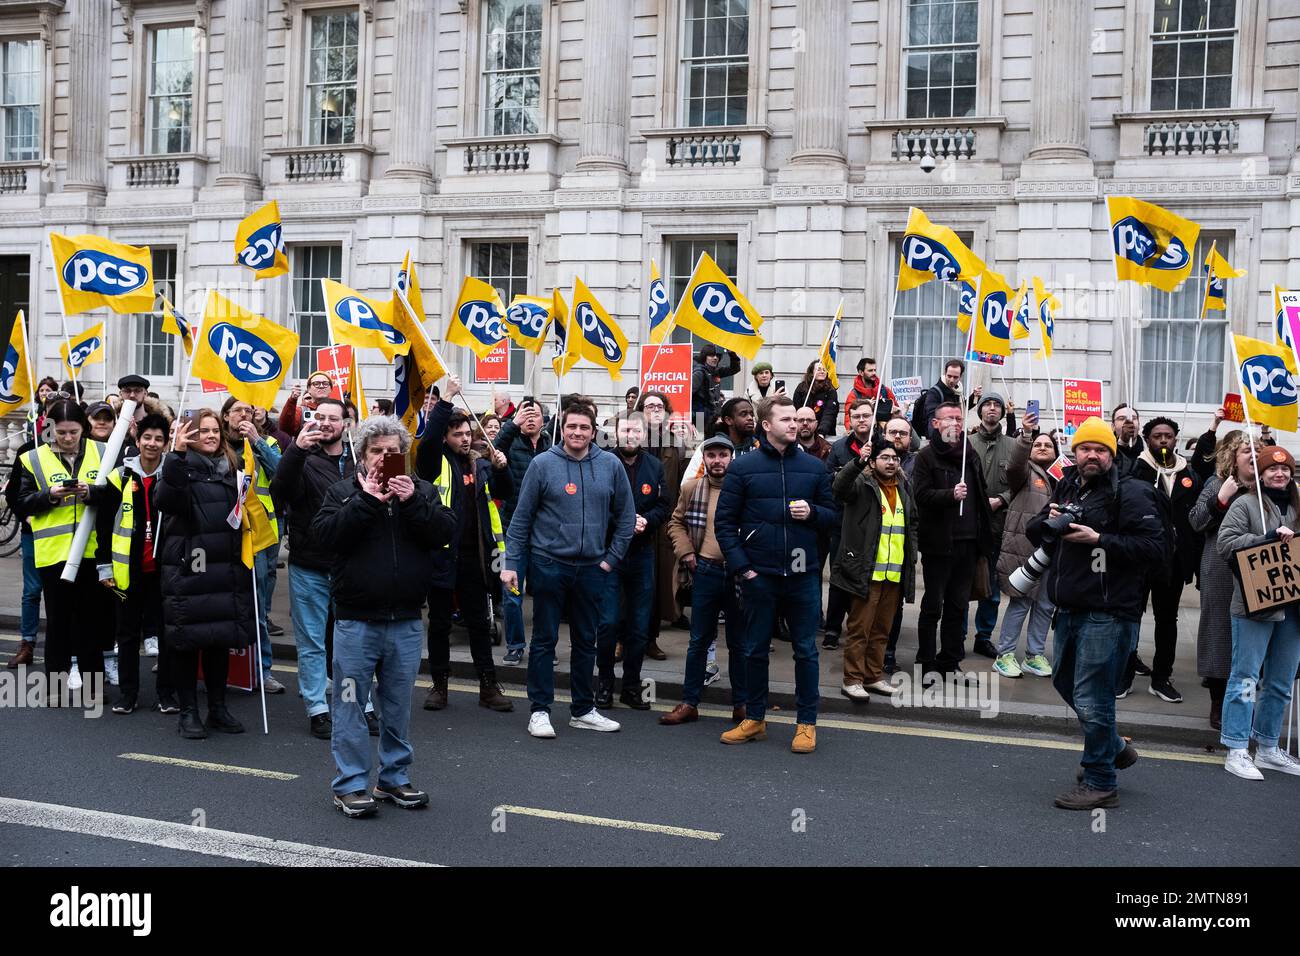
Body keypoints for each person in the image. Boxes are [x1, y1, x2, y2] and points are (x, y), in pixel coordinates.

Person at [313, 415, 456, 818]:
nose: (385, 458)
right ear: (362, 454)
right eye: (377, 451)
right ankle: (351, 784)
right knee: (350, 705)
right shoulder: (342, 492)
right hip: (357, 619)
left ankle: (393, 777)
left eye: (393, 451)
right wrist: (367, 501)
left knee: (396, 705)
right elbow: (327, 537)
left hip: (406, 619)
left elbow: (443, 532)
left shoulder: (422, 491)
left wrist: (410, 501)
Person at [1026, 417, 1165, 809]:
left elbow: (1154, 549)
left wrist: (1099, 538)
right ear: (1075, 451)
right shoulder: (1068, 483)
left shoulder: (1133, 492)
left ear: (1112, 454)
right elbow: (1039, 532)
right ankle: (1116, 745)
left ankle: (1101, 779)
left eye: (1100, 450)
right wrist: (1049, 519)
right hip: (1069, 605)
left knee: (1093, 695)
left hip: (1109, 612)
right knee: (1064, 683)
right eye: (1085, 448)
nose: (1092, 455)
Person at [502, 399, 635, 739]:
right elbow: (521, 519)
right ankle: (540, 710)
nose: (577, 432)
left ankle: (583, 709)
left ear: (594, 431)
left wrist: (610, 559)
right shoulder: (543, 464)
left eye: (584, 427)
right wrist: (512, 564)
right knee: (545, 641)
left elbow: (626, 519)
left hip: (593, 568)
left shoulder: (610, 465)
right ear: (562, 428)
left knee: (586, 641)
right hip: (549, 564)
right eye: (572, 426)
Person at [714, 395, 838, 754]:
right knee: (754, 650)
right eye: (785, 419)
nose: (794, 424)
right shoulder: (743, 467)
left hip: (802, 575)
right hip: (759, 575)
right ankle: (754, 719)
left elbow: (833, 518)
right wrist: (744, 569)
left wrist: (812, 512)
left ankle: (806, 723)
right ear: (766, 425)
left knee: (805, 651)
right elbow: (725, 524)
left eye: (796, 419)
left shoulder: (815, 468)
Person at [156, 410, 259, 738]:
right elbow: (165, 500)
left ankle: (218, 708)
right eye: (204, 431)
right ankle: (188, 712)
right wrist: (175, 456)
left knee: (218, 641)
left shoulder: (234, 468)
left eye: (216, 430)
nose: (212, 435)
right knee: (187, 644)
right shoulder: (180, 467)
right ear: (191, 435)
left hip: (225, 567)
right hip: (191, 567)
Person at [415, 379, 514, 714]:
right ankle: (439, 686)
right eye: (457, 434)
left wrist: (502, 469)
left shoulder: (480, 464)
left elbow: (504, 492)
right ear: (446, 436)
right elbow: (427, 441)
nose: (465, 438)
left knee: (478, 624)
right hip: (442, 556)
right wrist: (445, 400)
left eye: (468, 433)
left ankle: (488, 685)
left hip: (476, 558)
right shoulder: (433, 460)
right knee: (440, 624)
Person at [11, 399, 116, 700]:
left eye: (73, 432)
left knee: (89, 621)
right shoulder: (32, 458)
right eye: (62, 432)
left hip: (92, 552)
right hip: (53, 553)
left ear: (84, 428)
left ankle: (93, 688)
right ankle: (56, 689)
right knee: (58, 622)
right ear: (50, 429)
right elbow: (20, 503)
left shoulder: (103, 452)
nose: (68, 439)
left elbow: (115, 495)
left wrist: (91, 492)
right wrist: (50, 496)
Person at [269, 397, 356, 739]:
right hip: (309, 566)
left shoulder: (358, 461)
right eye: (319, 417)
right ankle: (317, 709)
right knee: (312, 643)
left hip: (350, 566)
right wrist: (295, 452)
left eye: (333, 418)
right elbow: (280, 492)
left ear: (345, 425)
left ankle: (356, 705)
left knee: (352, 642)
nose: (325, 423)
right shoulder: (302, 457)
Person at [1214, 445, 1300, 780]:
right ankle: (1236, 748)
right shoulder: (1246, 504)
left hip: (1292, 610)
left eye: (1285, 470)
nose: (1279, 474)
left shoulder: (1298, 504)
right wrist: (1264, 538)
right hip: (1255, 605)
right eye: (1271, 470)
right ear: (1260, 475)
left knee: (1280, 681)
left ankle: (1267, 748)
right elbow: (1225, 544)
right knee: (1246, 678)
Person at [660, 434, 747, 725]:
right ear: (704, 459)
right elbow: (675, 522)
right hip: (705, 572)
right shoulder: (691, 488)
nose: (718, 460)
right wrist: (685, 552)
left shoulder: (746, 489)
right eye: (712, 455)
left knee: (739, 643)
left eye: (723, 454)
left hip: (739, 574)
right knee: (698, 641)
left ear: (731, 457)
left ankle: (742, 705)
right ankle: (689, 702)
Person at [1121, 416, 1201, 704]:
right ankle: (1125, 673)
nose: (1163, 441)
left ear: (1176, 439)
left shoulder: (1188, 474)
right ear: (1147, 440)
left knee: (1168, 619)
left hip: (1173, 562)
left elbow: (1196, 519)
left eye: (1168, 436)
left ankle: (1161, 677)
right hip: (1140, 559)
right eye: (1157, 436)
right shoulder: (1135, 471)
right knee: (1130, 617)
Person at [911, 402, 995, 675]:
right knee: (933, 606)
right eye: (949, 419)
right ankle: (926, 663)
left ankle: (950, 660)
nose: (956, 423)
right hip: (939, 544)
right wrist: (950, 495)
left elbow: (980, 492)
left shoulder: (969, 455)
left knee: (958, 607)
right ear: (936, 424)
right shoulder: (925, 457)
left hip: (969, 543)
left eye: (959, 418)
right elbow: (920, 496)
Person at [103, 414, 177, 715]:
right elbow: (104, 524)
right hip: (127, 572)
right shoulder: (119, 476)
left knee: (166, 633)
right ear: (138, 440)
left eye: (159, 439)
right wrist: (104, 567)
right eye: (147, 437)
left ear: (165, 443)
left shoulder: (170, 476)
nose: (152, 444)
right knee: (128, 634)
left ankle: (166, 694)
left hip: (163, 571)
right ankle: (128, 694)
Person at [595, 413, 669, 710]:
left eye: (636, 430)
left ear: (644, 434)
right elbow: (597, 502)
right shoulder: (602, 463)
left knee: (639, 625)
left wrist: (647, 521)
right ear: (615, 433)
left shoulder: (654, 466)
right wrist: (625, 522)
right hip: (611, 553)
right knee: (609, 622)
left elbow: (664, 505)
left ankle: (632, 687)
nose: (630, 434)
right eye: (625, 429)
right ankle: (603, 685)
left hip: (641, 554)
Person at [833, 436, 915, 702]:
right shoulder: (862, 484)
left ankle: (873, 676)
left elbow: (911, 525)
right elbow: (840, 487)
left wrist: (910, 558)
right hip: (866, 572)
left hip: (893, 573)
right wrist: (857, 462)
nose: (891, 463)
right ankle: (852, 679)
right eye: (885, 458)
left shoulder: (903, 486)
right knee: (860, 630)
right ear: (872, 461)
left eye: (894, 458)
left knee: (882, 631)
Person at [1188, 432, 1254, 731]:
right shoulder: (1217, 484)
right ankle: (1218, 702)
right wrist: (1221, 499)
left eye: (1257, 450)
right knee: (1219, 634)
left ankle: (1246, 703)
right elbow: (1196, 521)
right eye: (1245, 451)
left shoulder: (1267, 488)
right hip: (1220, 568)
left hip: (1256, 569)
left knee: (1252, 640)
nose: (1252, 455)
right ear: (1232, 456)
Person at [221, 396, 285, 695]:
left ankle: (264, 668)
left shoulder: (266, 444)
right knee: (221, 603)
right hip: (221, 536)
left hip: (257, 535)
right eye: (237, 411)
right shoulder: (214, 444)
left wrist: (257, 441)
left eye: (248, 410)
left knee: (257, 606)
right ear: (225, 417)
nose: (243, 415)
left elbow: (282, 475)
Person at [993, 414, 1058, 678]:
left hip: (1053, 551)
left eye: (1048, 445)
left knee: (1044, 605)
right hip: (1024, 549)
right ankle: (1005, 654)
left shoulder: (1062, 475)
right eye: (1038, 445)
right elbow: (1013, 465)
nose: (1042, 448)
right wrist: (1026, 435)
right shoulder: (1025, 472)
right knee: (1021, 602)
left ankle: (1035, 655)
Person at [494, 397, 552, 665]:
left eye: (535, 414)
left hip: (545, 531)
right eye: (524, 413)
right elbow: (492, 454)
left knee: (544, 593)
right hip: (513, 529)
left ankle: (543, 648)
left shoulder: (552, 445)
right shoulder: (510, 441)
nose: (530, 418)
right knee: (512, 591)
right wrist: (510, 426)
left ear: (543, 420)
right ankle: (515, 645)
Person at [822, 401, 884, 649]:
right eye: (856, 416)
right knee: (840, 577)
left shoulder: (883, 442)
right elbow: (829, 481)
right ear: (849, 419)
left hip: (873, 521)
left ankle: (862, 626)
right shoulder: (839, 448)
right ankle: (833, 629)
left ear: (873, 417)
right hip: (843, 522)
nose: (861, 420)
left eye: (866, 415)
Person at [636, 389, 688, 653]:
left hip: (663, 523)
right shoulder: (631, 439)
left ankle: (651, 639)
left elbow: (681, 483)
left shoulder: (676, 444)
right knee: (632, 585)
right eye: (648, 406)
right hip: (633, 524)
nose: (654, 410)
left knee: (658, 584)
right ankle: (624, 639)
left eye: (659, 406)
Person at [966, 392, 1017, 660]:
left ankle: (983, 637)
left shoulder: (1013, 445)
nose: (992, 409)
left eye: (997, 405)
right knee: (962, 583)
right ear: (980, 411)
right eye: (987, 405)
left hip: (998, 526)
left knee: (992, 588)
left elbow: (1021, 482)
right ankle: (957, 635)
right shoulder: (967, 443)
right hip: (968, 527)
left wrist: (1001, 499)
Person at [683, 397, 759, 477]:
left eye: (751, 414)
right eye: (743, 414)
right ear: (728, 420)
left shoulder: (758, 446)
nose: (750, 418)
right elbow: (688, 485)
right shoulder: (708, 447)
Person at [912, 358, 980, 434]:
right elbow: (932, 418)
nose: (951, 380)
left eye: (955, 377)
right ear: (945, 373)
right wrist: (937, 442)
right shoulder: (934, 393)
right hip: (941, 438)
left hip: (953, 435)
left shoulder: (957, 391)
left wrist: (975, 397)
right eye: (949, 376)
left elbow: (962, 408)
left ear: (961, 376)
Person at [691, 344, 740, 425]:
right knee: (700, 437)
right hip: (699, 415)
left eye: (717, 355)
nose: (715, 358)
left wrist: (732, 354)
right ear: (705, 357)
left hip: (713, 415)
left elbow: (735, 369)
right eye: (711, 355)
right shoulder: (699, 372)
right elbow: (688, 395)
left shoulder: (716, 371)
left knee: (713, 436)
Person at [842, 357, 896, 431]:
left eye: (875, 370)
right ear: (861, 372)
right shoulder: (854, 395)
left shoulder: (885, 391)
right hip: (863, 435)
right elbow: (848, 418)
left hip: (885, 435)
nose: (874, 373)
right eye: (870, 370)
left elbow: (896, 413)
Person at [279, 370, 335, 438]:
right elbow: (285, 429)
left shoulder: (337, 409)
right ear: (309, 389)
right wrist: (292, 400)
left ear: (331, 389)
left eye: (325, 383)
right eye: (316, 383)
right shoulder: (301, 411)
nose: (321, 386)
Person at [792, 360, 839, 437]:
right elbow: (795, 409)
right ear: (811, 372)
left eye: (824, 370)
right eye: (819, 369)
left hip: (824, 433)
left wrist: (821, 432)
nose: (822, 372)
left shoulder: (831, 390)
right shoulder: (802, 388)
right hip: (803, 431)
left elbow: (830, 412)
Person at [1111, 404, 1142, 472]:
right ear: (1113, 426)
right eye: (1121, 418)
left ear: (1139, 425)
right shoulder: (1106, 451)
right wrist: (1123, 442)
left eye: (1133, 418)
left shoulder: (1148, 450)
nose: (1129, 422)